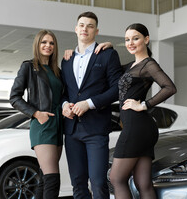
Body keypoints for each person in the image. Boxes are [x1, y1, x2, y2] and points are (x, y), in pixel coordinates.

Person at [109, 23, 177, 199]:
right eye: (127, 40)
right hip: (143, 128)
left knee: (116, 178)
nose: (130, 43)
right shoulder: (132, 65)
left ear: (146, 39)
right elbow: (113, 68)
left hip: (136, 127)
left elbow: (169, 88)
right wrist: (108, 47)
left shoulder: (148, 64)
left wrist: (144, 105)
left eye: (135, 38)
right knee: (142, 183)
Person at [61, 11, 123, 199]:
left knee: (98, 182)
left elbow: (117, 89)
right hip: (71, 131)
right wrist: (64, 104)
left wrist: (89, 103)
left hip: (96, 130)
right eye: (81, 25)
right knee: (78, 184)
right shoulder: (66, 60)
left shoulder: (107, 55)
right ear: (75, 29)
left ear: (96, 31)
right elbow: (63, 91)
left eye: (89, 26)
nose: (85, 29)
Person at [10, 29, 63, 199]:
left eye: (51, 43)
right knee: (52, 178)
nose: (48, 46)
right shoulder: (29, 67)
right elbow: (14, 97)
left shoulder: (57, 71)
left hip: (58, 125)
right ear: (37, 45)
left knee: (44, 178)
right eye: (44, 42)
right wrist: (36, 113)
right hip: (42, 124)